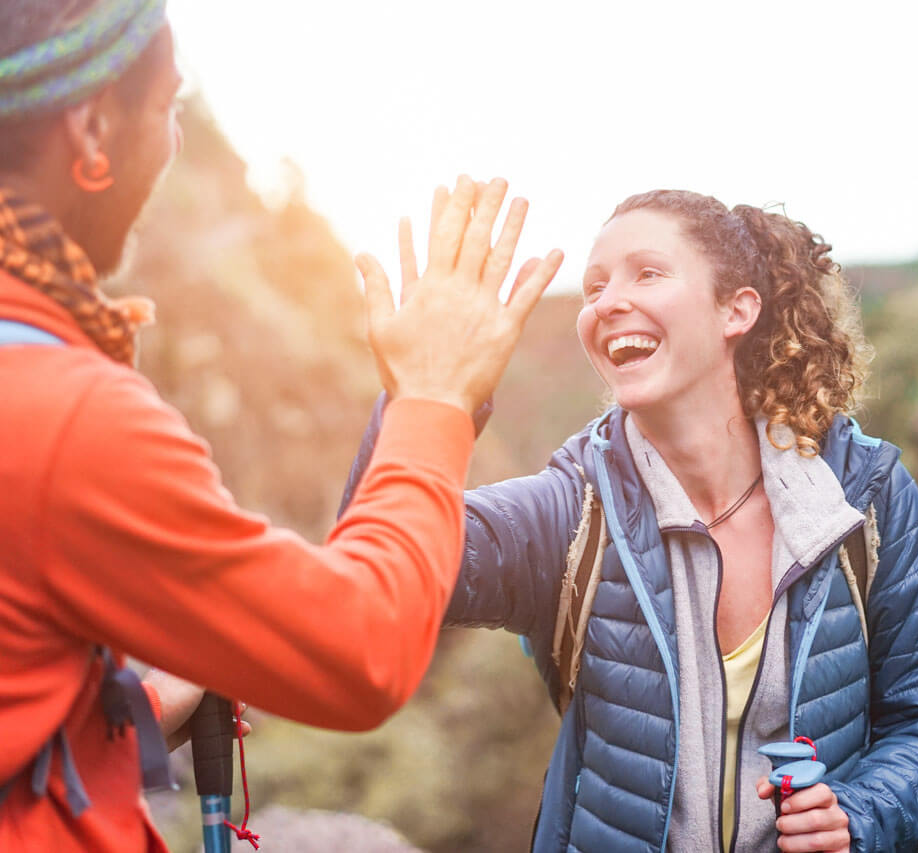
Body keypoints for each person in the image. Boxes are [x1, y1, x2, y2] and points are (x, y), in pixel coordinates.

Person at [0, 1, 562, 849]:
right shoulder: (63, 408)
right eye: (167, 109)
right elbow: (362, 648)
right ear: (89, 130)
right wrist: (435, 397)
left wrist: (148, 709)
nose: (176, 141)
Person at [344, 190, 918, 852]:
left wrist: (860, 814)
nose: (606, 301)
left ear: (736, 309)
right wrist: (426, 391)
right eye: (594, 287)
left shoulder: (865, 498)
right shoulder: (575, 515)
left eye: (646, 272)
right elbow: (374, 588)